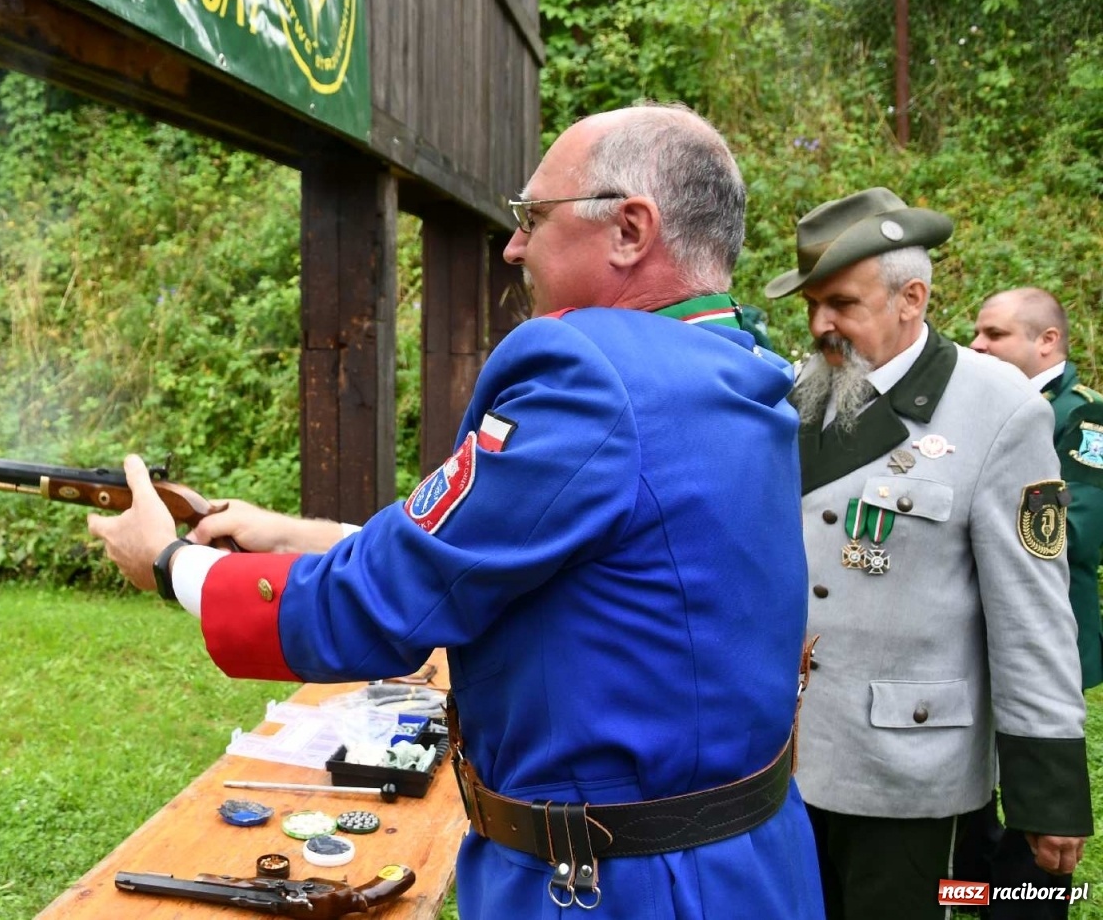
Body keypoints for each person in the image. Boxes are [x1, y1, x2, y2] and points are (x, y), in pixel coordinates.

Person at [90, 104, 823, 919]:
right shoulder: (736, 362)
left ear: (628, 230)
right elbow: (549, 553)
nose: (513, 246)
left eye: (533, 218)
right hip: (749, 864)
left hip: (618, 888)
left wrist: (172, 563)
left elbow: (386, 605)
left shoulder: (592, 370)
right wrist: (305, 536)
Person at [763, 189, 1092, 920]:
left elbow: (1033, 612)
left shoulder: (1000, 410)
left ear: (911, 298)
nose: (822, 325)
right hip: (784, 763)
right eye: (812, 305)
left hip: (906, 771)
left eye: (843, 303)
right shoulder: (798, 396)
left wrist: (1048, 789)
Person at [956, 287, 1103, 916]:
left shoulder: (1082, 419)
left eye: (994, 335)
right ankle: (968, 896)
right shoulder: (972, 408)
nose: (977, 346)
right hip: (968, 634)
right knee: (969, 799)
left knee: (1034, 816)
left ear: (1047, 341)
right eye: (977, 334)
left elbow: (1072, 531)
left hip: (1042, 634)